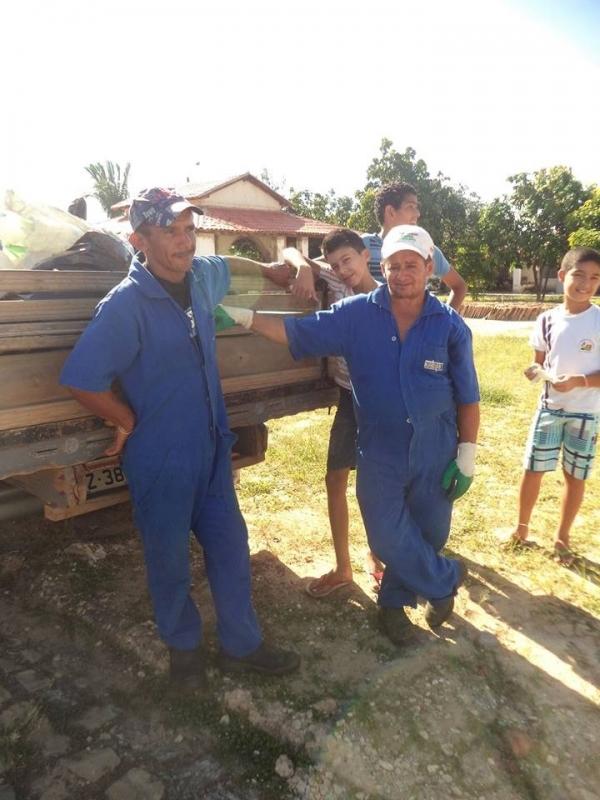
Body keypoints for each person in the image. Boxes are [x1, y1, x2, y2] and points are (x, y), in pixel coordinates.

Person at [60, 187, 300, 689]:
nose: (185, 241)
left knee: (231, 547)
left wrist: (274, 271)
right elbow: (81, 379)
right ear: (139, 239)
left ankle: (241, 644)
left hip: (212, 447)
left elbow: (230, 264)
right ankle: (184, 650)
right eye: (170, 231)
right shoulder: (125, 306)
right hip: (161, 456)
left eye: (189, 230)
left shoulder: (200, 278)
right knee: (168, 559)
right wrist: (125, 419)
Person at [219, 225, 480, 644]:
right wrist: (241, 316)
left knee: (429, 533)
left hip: (436, 451)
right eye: (393, 265)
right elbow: (296, 332)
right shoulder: (357, 315)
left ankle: (393, 607)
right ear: (384, 267)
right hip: (380, 451)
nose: (401, 274)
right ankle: (445, 578)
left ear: (429, 267)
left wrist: (466, 455)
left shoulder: (450, 327)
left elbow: (468, 397)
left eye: (411, 265)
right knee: (385, 534)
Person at [284, 230, 381, 597]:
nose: (342, 270)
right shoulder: (333, 278)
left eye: (348, 261)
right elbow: (291, 250)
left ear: (364, 255)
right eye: (335, 264)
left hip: (380, 403)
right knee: (335, 479)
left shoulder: (386, 296)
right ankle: (343, 567)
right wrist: (305, 270)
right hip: (346, 397)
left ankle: (380, 556)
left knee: (376, 485)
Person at [509, 247, 600, 565]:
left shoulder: (599, 320)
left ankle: (562, 537)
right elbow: (537, 363)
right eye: (579, 275)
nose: (586, 283)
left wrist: (580, 381)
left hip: (586, 414)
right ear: (562, 276)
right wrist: (535, 372)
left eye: (595, 278)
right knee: (533, 469)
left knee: (575, 476)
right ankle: (521, 530)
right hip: (549, 410)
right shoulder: (546, 320)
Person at [363, 182, 467, 311]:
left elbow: (459, 286)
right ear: (391, 212)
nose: (417, 214)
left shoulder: (427, 249)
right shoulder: (362, 246)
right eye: (411, 206)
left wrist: (445, 323)